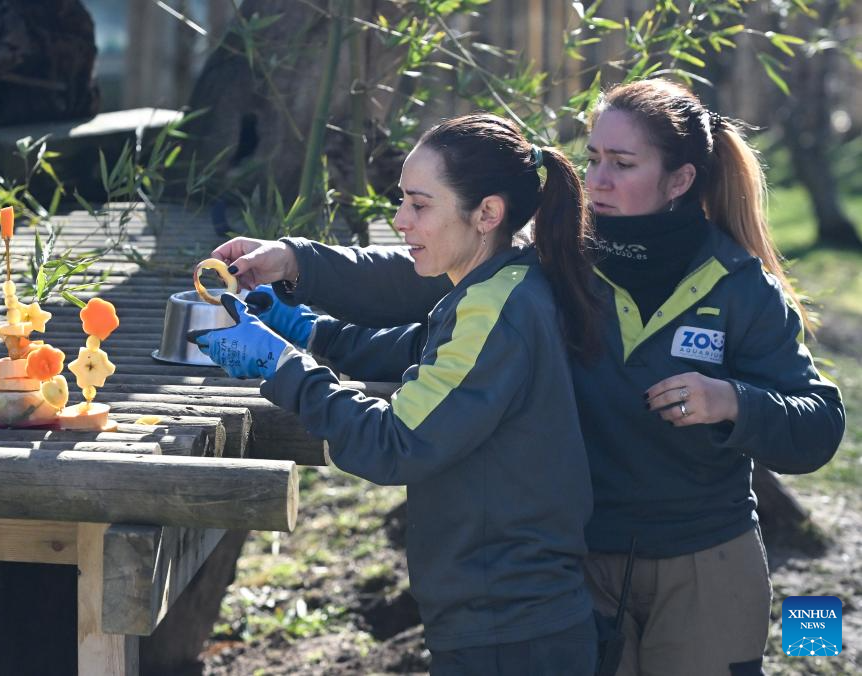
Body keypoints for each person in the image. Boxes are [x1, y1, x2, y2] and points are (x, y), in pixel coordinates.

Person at [210, 80, 845, 676]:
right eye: (593, 158)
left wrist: (733, 401)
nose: (598, 179)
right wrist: (296, 263)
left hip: (704, 557)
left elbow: (818, 425)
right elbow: (420, 279)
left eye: (622, 164)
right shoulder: (560, 257)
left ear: (679, 179)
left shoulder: (740, 287)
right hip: (578, 566)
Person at [194, 113, 601, 674]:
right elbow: (420, 351)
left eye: (419, 205)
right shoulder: (507, 282)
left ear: (487, 214)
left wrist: (282, 365)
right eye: (402, 201)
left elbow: (396, 442)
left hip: (508, 629)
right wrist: (308, 330)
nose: (400, 219)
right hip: (507, 616)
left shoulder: (495, 311)